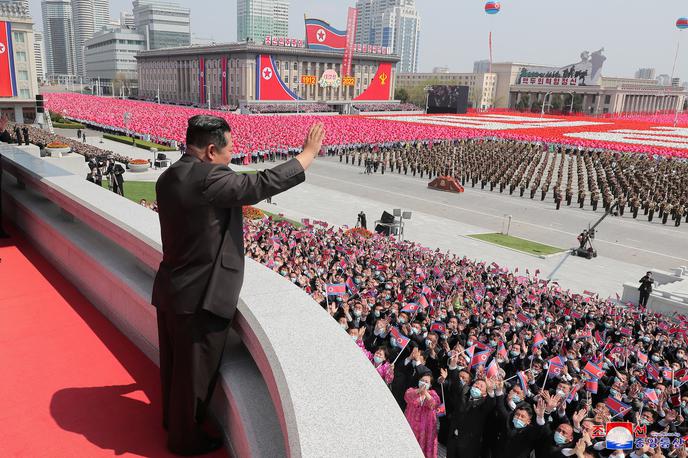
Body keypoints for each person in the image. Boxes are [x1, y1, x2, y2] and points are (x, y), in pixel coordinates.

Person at [151, 115, 325, 455]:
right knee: (194, 378)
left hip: (172, 287)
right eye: (230, 150)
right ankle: (184, 441)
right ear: (212, 150)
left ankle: (174, 423)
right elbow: (259, 184)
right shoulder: (209, 179)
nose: (234, 156)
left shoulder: (168, 176)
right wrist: (306, 156)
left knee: (174, 368)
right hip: (200, 296)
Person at [404, 371, 441, 458]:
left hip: (426, 430)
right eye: (422, 380)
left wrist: (426, 393)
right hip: (410, 426)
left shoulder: (433, 394)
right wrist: (418, 391)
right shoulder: (411, 391)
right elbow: (407, 397)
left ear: (430, 385)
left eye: (426, 382)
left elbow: (434, 404)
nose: (424, 383)